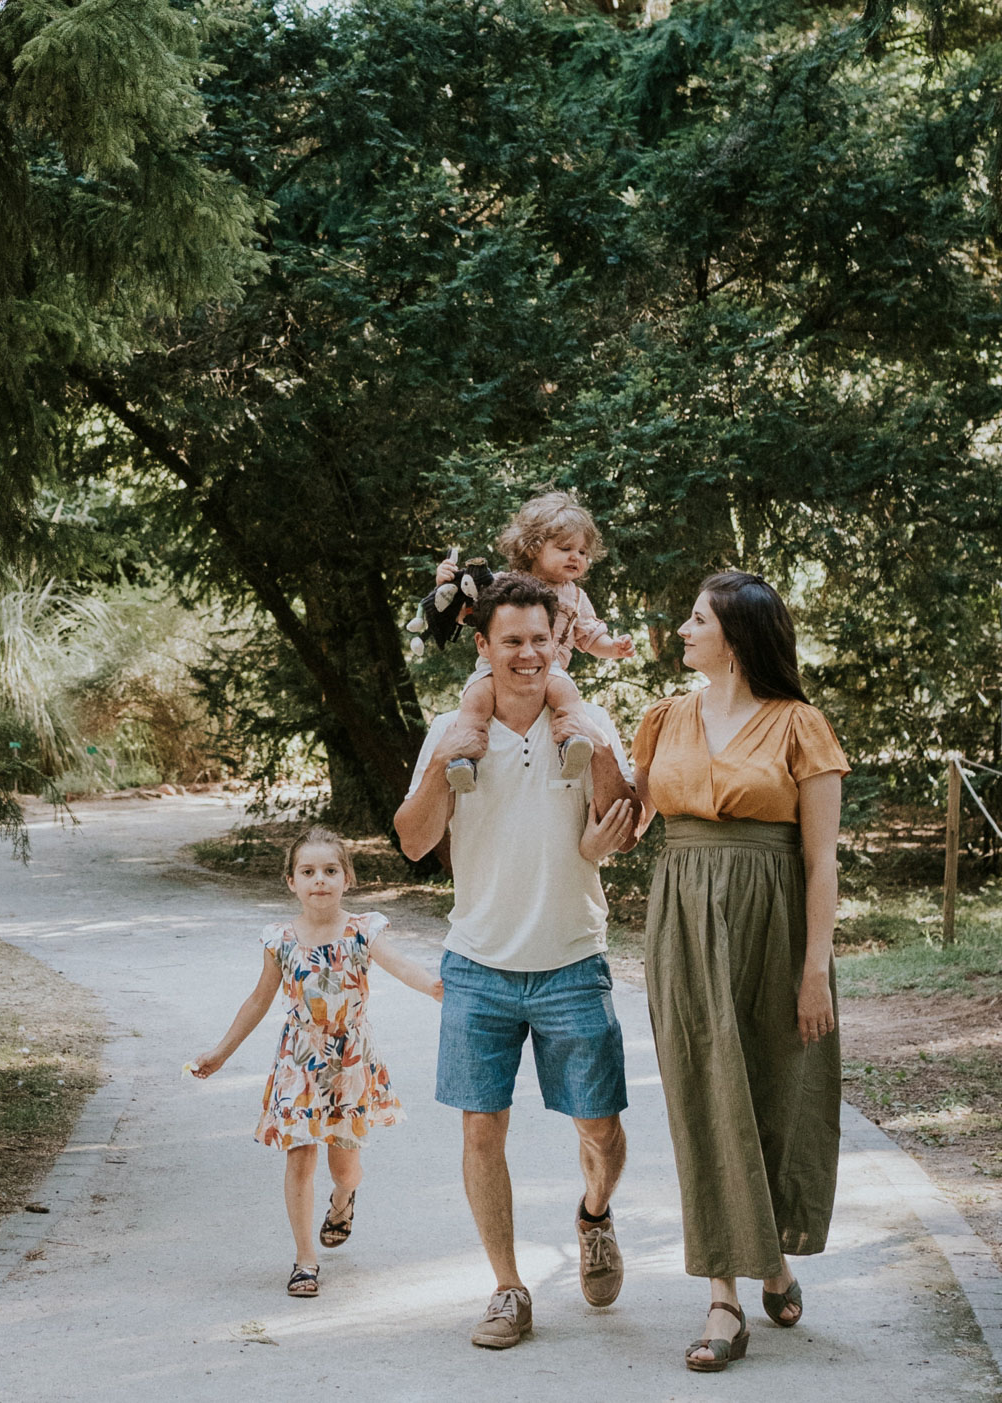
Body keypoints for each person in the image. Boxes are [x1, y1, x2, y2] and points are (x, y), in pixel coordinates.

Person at [395, 571, 641, 1350]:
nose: (528, 654)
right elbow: (412, 839)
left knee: (601, 1129)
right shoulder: (451, 728)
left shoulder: (588, 718)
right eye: (512, 640)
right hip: (479, 962)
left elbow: (623, 825)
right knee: (480, 1132)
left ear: (555, 642)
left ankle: (595, 1214)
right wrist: (445, 762)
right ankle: (507, 1287)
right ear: (483, 646)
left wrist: (595, 750)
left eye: (540, 639)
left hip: (572, 957)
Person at [628, 571, 848, 1373]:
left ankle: (775, 1259)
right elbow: (624, 821)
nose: (682, 629)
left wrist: (814, 970)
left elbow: (822, 862)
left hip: (775, 922)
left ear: (737, 634)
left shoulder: (801, 724)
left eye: (697, 618)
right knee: (701, 1095)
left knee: (772, 1092)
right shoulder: (663, 717)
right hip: (683, 921)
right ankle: (723, 1293)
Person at [187, 827, 442, 1298]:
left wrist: (432, 985)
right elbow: (259, 1000)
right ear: (291, 882)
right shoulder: (279, 939)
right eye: (308, 872)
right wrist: (220, 1052)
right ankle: (306, 1260)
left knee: (345, 1167)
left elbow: (402, 965)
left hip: (348, 1064)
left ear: (347, 878)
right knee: (300, 1157)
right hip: (299, 1062)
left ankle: (343, 1199)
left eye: (330, 871)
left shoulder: (364, 930)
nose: (319, 880)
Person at [433, 491, 635, 794]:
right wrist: (445, 583)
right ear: (533, 547)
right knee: (475, 700)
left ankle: (571, 744)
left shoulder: (576, 597)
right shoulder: (501, 582)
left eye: (582, 552)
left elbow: (590, 637)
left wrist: (613, 648)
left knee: (565, 692)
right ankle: (464, 760)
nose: (576, 557)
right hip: (495, 670)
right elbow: (463, 612)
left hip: (550, 670)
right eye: (566, 548)